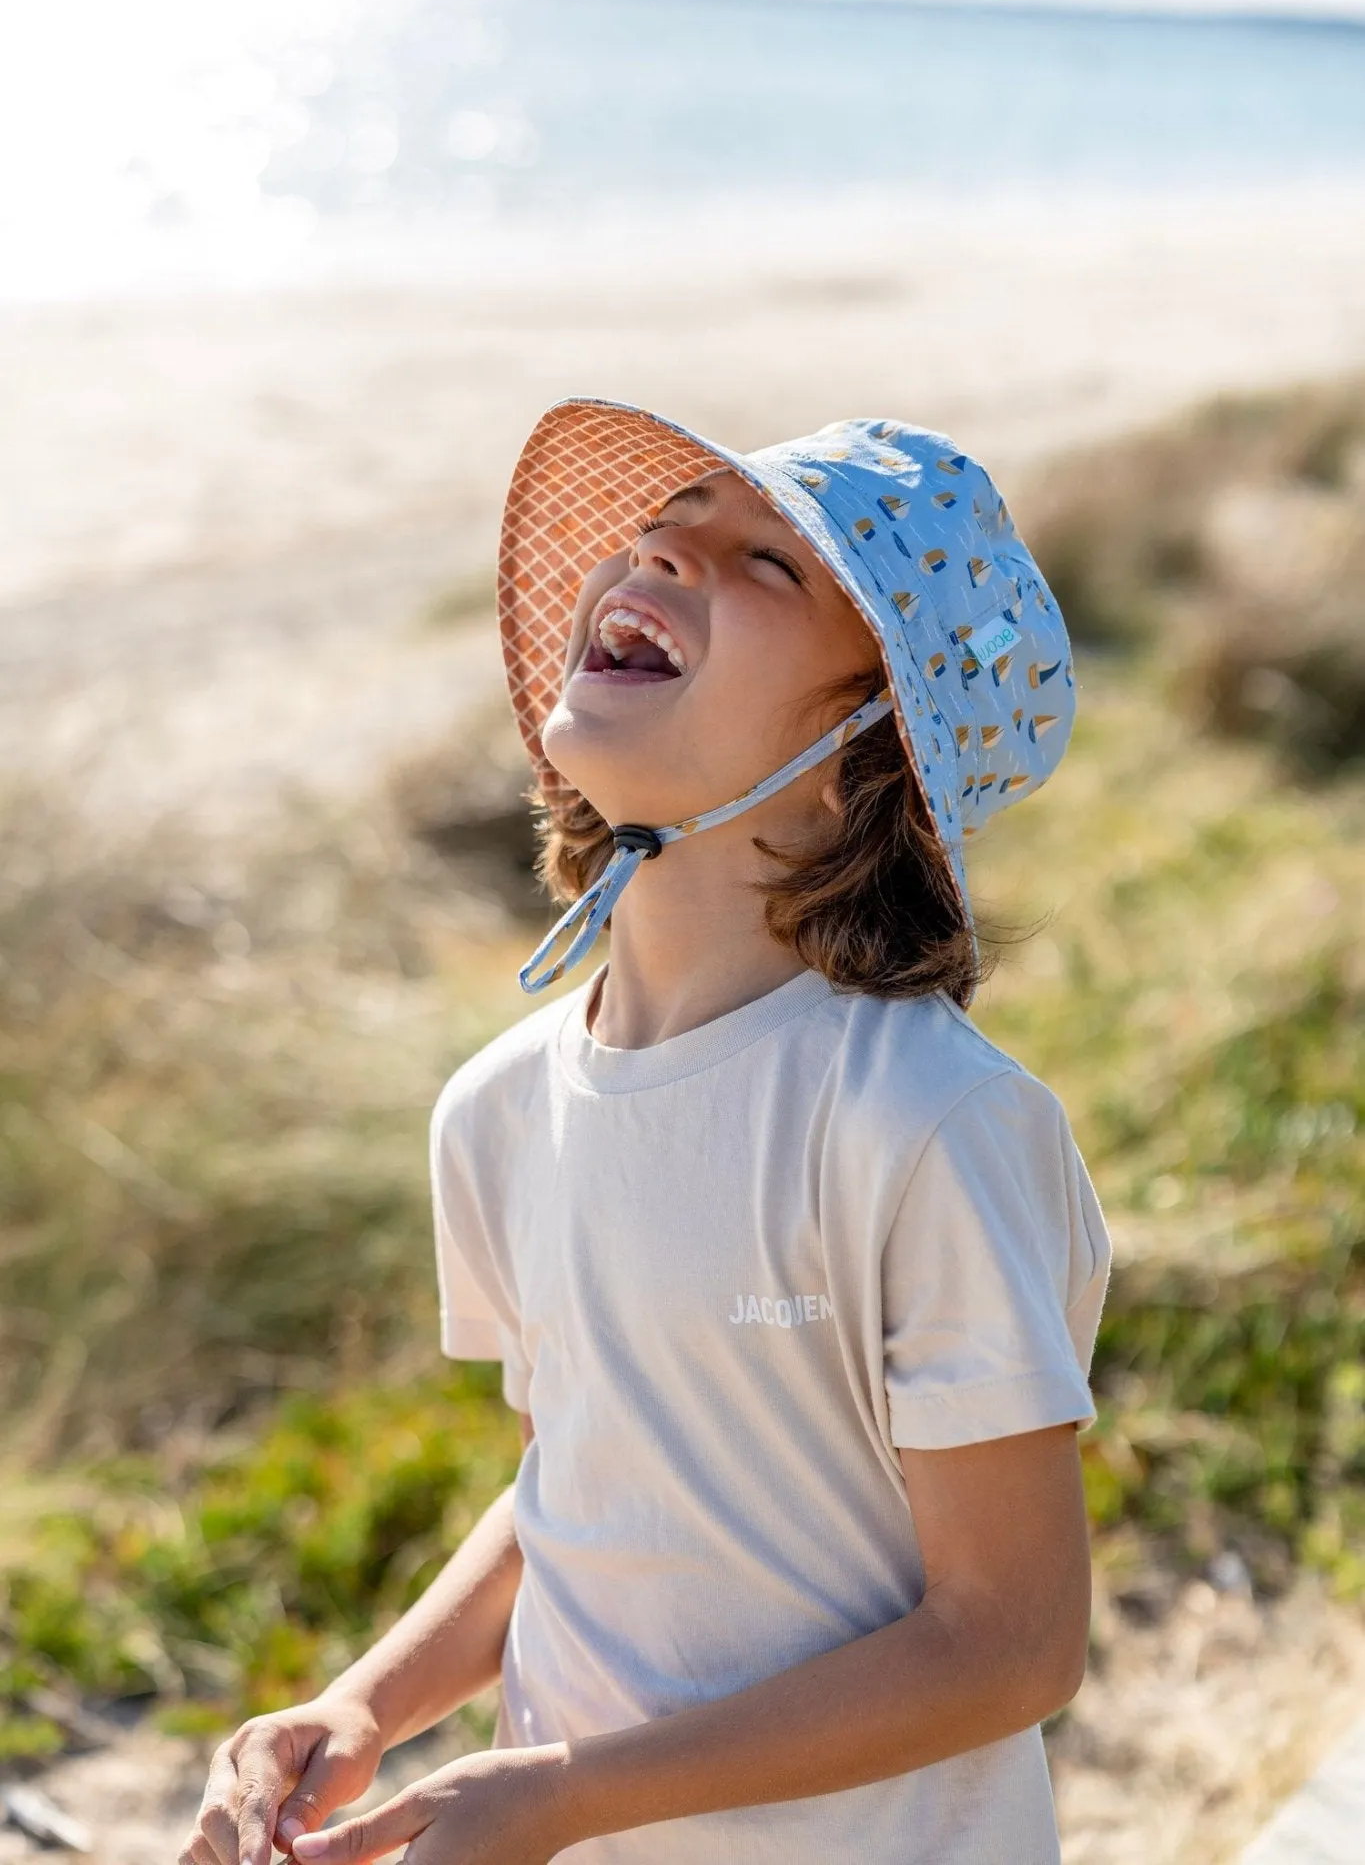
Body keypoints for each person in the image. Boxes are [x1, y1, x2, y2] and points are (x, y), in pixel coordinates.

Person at [182, 399, 1111, 1865]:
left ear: (868, 745)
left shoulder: (927, 1124)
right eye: (668, 523)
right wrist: (367, 1706)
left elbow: (1008, 1646)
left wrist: (564, 1793)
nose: (670, 546)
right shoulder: (497, 1111)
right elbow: (590, 1479)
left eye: (771, 563)